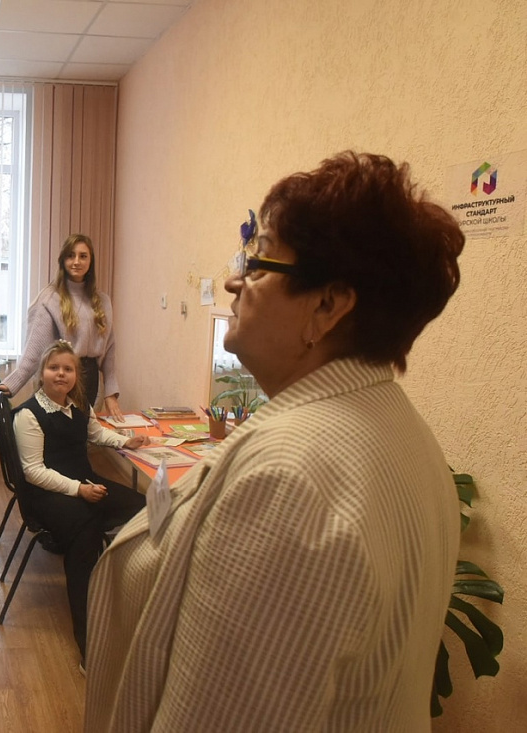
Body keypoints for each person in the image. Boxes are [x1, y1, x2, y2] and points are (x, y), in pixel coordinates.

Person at [84, 152, 465, 731]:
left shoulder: (288, 481)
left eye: (258, 262)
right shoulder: (403, 431)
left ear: (327, 305)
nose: (234, 281)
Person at [13, 340, 148, 666]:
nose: (61, 374)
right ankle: (88, 641)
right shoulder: (28, 415)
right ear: (42, 374)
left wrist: (125, 441)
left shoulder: (80, 406)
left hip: (85, 486)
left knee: (146, 507)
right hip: (46, 497)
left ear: (76, 375)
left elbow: (98, 434)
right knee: (85, 534)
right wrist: (78, 490)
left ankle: (127, 588)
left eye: (67, 369)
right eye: (53, 368)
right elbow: (34, 472)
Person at [0, 234, 126, 420]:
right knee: (58, 432)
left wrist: (110, 393)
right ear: (63, 260)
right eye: (70, 255)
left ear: (91, 261)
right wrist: (11, 384)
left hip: (91, 382)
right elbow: (35, 349)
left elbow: (109, 351)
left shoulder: (103, 301)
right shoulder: (50, 299)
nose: (76, 262)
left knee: (85, 431)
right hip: (60, 378)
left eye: (83, 256)